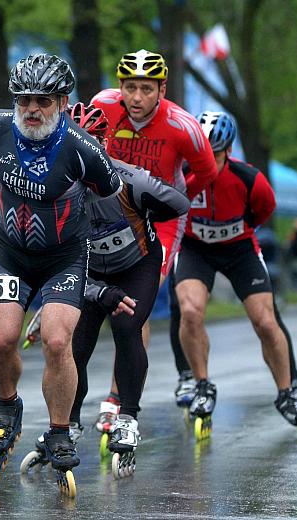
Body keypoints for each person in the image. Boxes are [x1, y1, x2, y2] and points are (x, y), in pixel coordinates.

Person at [0, 53, 122, 484]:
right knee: (2, 339)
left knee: (58, 342)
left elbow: (109, 200)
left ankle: (60, 431)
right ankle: (8, 404)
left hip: (65, 256)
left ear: (62, 102)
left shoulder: (85, 151)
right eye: (23, 100)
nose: (32, 109)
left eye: (43, 100)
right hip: (11, 251)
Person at [90, 49, 218, 429]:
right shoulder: (102, 107)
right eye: (130, 88)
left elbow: (206, 172)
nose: (137, 98)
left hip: (159, 221)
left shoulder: (183, 126)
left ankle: (120, 397)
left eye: (146, 89)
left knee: (133, 302)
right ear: (120, 87)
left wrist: (168, 202)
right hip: (114, 213)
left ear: (161, 88)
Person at [174, 111, 297, 441]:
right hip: (196, 249)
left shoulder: (249, 179)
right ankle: (201, 384)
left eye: (215, 154)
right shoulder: (182, 175)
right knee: (191, 312)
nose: (206, 161)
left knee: (266, 320)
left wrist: (237, 229)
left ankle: (287, 392)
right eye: (201, 153)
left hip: (239, 249)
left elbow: (264, 210)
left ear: (228, 151)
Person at [62, 103, 190, 472]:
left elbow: (178, 204)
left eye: (90, 142)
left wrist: (146, 207)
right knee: (74, 343)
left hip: (137, 266)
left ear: (103, 144)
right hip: (92, 274)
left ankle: (128, 419)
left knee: (125, 326)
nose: (82, 150)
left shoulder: (127, 179)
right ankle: (67, 425)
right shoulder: (56, 190)